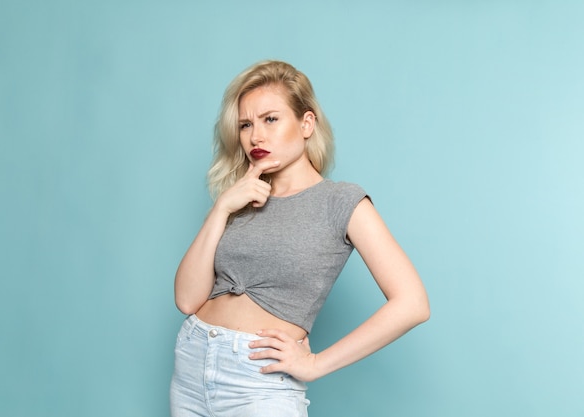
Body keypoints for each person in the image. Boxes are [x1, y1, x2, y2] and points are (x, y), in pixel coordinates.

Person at [170, 60, 430, 416]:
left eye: (270, 119)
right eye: (245, 124)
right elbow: (186, 300)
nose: (255, 136)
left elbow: (413, 303)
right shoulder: (242, 198)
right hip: (192, 362)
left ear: (306, 123)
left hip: (259, 381)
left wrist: (316, 364)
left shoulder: (340, 201)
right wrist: (222, 209)